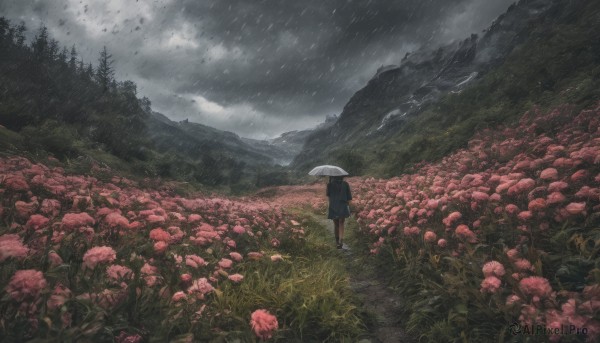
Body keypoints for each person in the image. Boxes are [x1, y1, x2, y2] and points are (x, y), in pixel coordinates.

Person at [326, 175, 352, 249]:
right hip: (343, 205)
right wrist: (350, 208)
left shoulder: (329, 184)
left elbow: (329, 196)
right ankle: (341, 240)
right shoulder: (346, 184)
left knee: (336, 224)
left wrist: (329, 184)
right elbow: (349, 197)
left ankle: (337, 241)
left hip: (333, 205)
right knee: (341, 222)